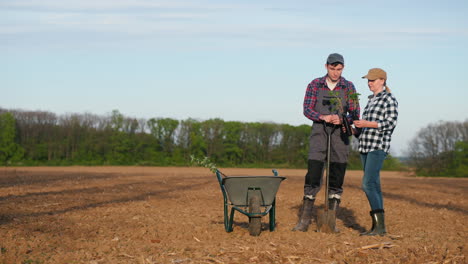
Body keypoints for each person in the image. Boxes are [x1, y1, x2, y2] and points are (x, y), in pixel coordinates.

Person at [293, 53, 360, 232]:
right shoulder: (314, 84)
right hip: (319, 135)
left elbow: (355, 114)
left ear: (343, 68)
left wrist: (341, 118)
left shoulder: (349, 87)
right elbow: (307, 109)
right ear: (326, 67)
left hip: (340, 137)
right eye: (332, 69)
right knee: (313, 174)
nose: (336, 72)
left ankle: (331, 220)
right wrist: (322, 116)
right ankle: (305, 220)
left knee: (337, 176)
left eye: (339, 69)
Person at [353, 68, 398, 236]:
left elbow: (390, 123)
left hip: (377, 146)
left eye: (372, 80)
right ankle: (378, 227)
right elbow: (366, 126)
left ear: (382, 80)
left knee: (367, 184)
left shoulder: (389, 99)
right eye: (368, 80)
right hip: (365, 145)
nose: (369, 83)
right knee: (375, 186)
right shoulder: (370, 100)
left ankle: (380, 228)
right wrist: (354, 129)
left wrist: (367, 124)